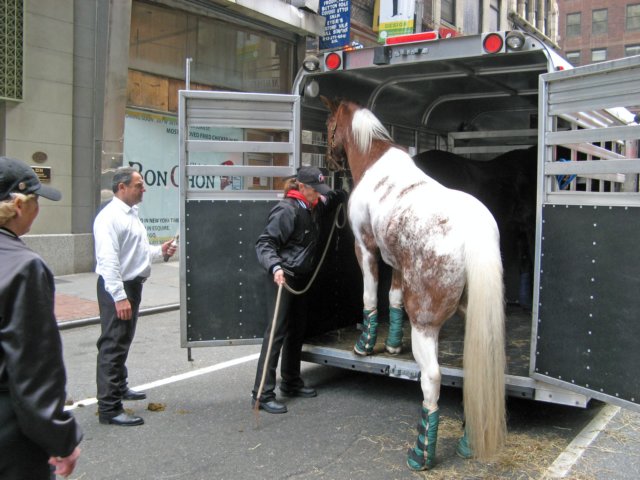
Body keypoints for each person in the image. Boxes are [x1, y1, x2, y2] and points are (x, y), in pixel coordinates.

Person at [0, 156, 82, 478]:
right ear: (20, 206)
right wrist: (61, 440)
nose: (39, 209)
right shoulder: (23, 266)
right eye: (37, 201)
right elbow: (34, 368)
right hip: (9, 434)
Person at [252, 166, 345, 414]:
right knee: (276, 334)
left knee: (296, 332)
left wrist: (340, 193)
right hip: (284, 279)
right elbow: (265, 243)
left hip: (302, 280)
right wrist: (274, 267)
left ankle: (291, 382)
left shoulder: (313, 206)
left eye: (320, 190)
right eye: (315, 190)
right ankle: (262, 394)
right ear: (302, 187)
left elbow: (335, 196)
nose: (319, 194)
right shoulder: (287, 210)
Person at [93, 167, 176, 426]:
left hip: (131, 285)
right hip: (118, 287)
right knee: (113, 344)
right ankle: (109, 408)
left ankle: (118, 387)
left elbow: (136, 253)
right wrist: (119, 296)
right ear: (122, 188)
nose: (144, 189)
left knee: (123, 340)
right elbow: (108, 261)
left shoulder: (130, 214)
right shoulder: (110, 218)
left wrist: (159, 251)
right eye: (139, 185)